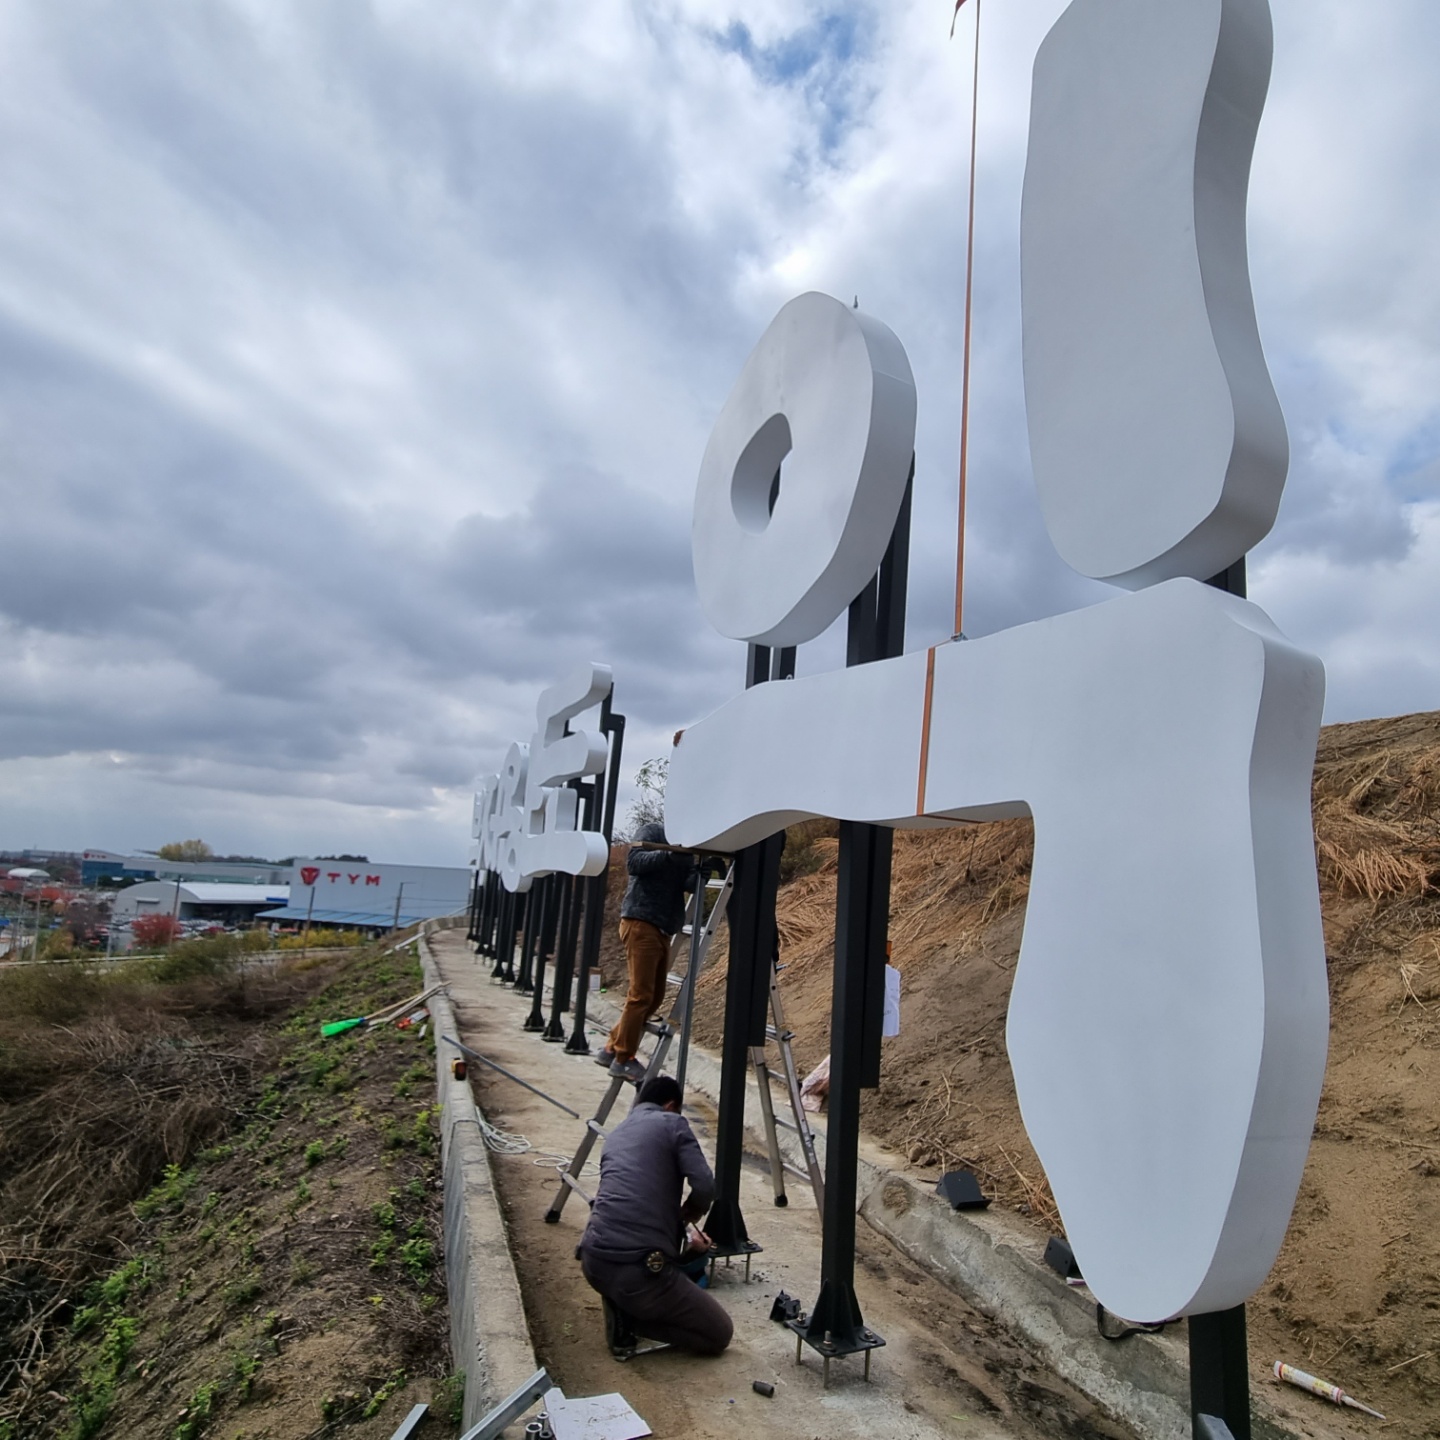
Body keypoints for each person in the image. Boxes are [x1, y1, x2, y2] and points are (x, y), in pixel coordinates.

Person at [578, 1074, 733, 1357]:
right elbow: (705, 1186)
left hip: (594, 1262)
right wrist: (690, 1213)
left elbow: (631, 1204)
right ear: (671, 1106)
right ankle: (631, 1321)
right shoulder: (672, 1123)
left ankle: (621, 1301)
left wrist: (680, 1235)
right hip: (639, 1270)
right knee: (719, 1333)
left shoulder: (616, 1134)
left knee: (644, 1276)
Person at [594, 821, 694, 1082]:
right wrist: (669, 854)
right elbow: (634, 863)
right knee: (640, 996)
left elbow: (687, 882)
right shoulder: (653, 832)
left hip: (662, 927)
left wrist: (704, 873)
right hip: (641, 921)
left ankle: (611, 1047)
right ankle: (623, 1059)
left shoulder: (688, 846)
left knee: (654, 997)